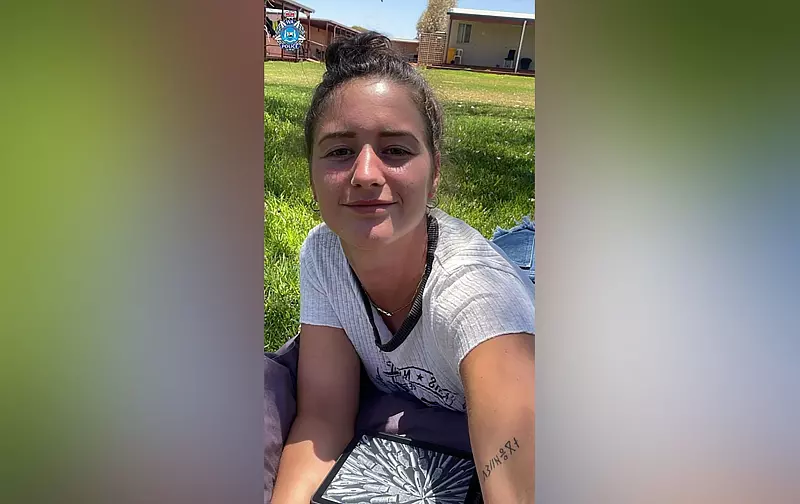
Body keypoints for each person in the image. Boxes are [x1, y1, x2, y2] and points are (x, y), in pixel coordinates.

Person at [268, 32, 535, 504]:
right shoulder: (323, 253)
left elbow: (516, 480)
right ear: (311, 175)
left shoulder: (479, 299)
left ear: (434, 175)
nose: (366, 174)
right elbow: (325, 415)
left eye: (395, 150)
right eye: (339, 151)